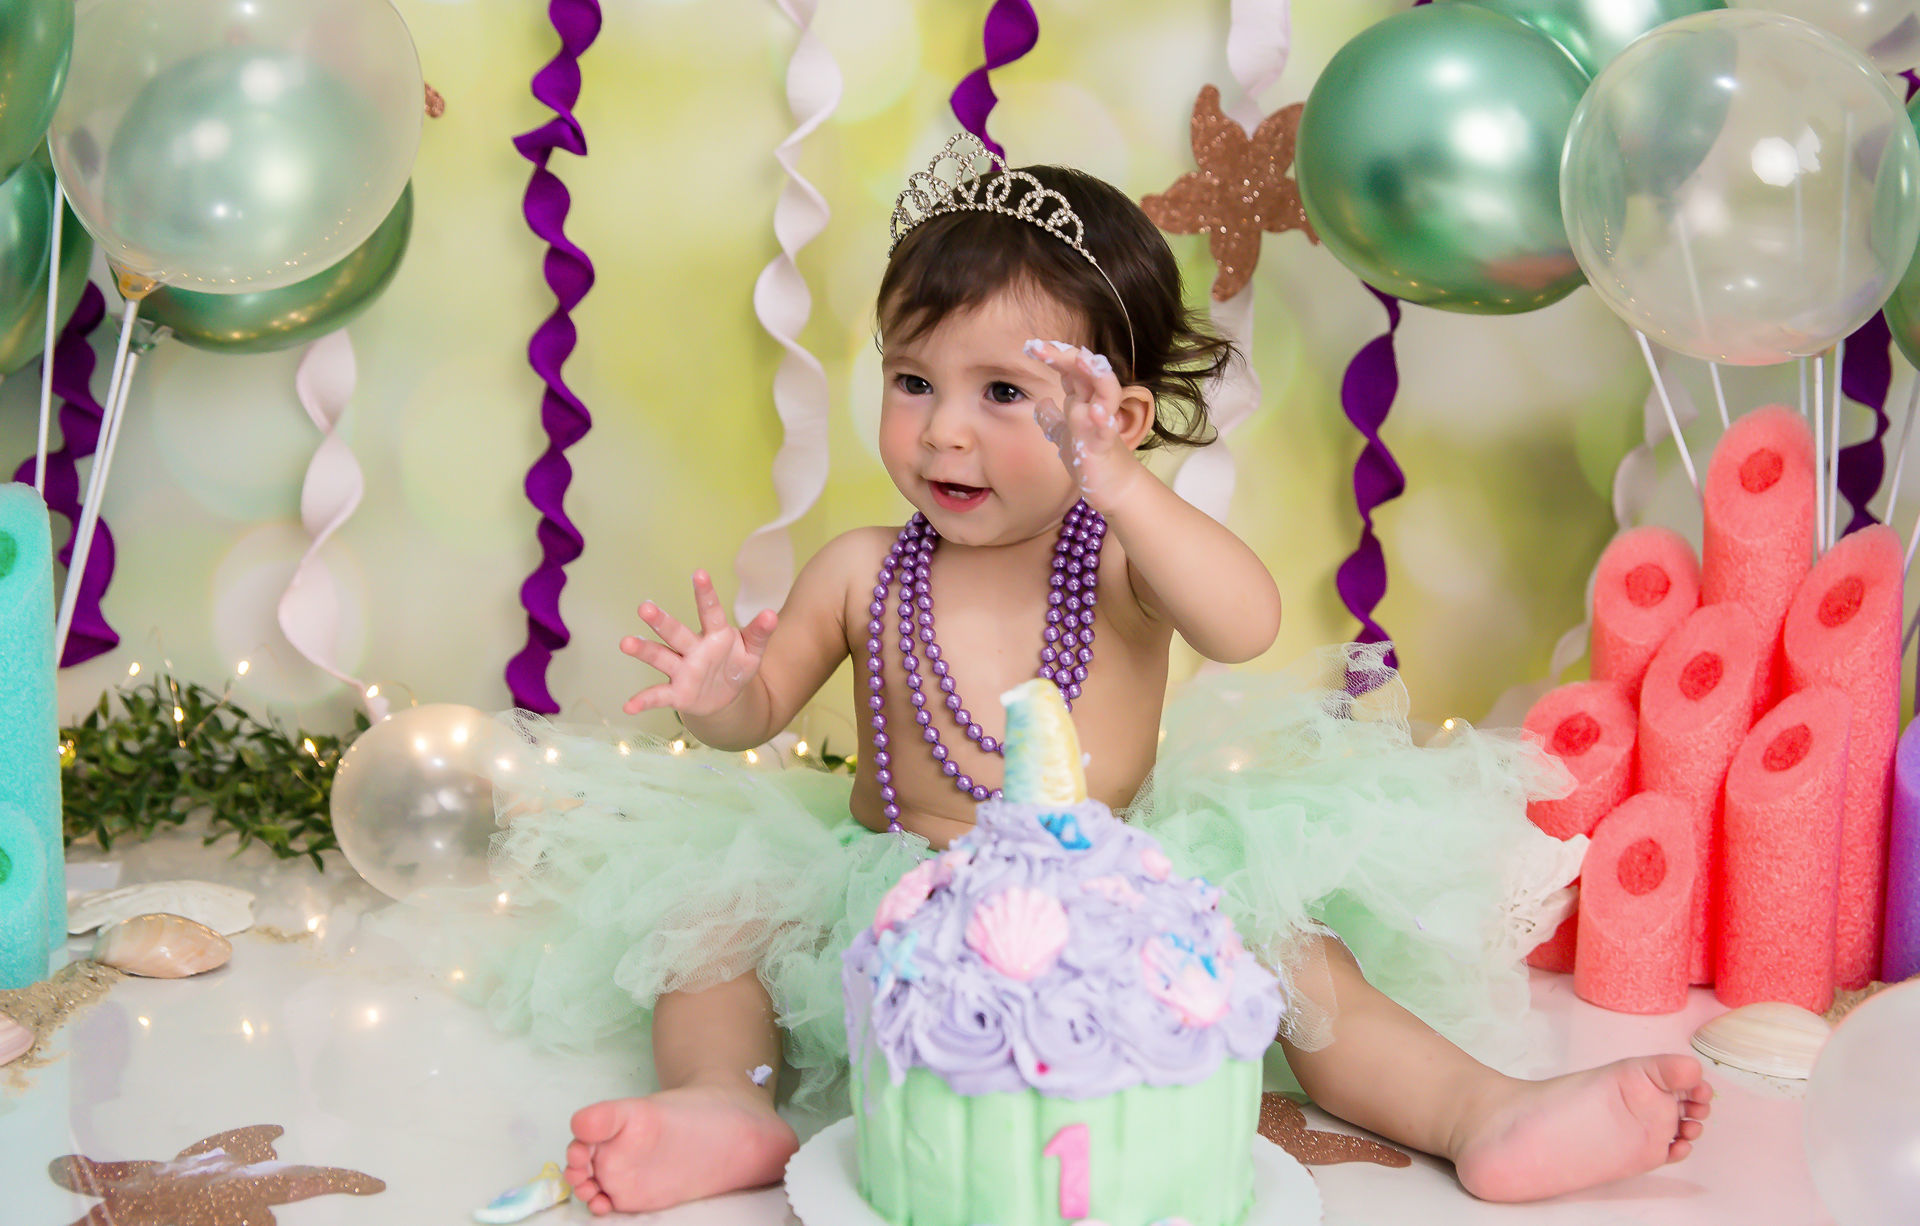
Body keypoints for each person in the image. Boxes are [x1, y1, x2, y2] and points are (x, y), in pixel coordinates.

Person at [473, 136, 1709, 1216]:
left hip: (1122, 887)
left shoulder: (1119, 557)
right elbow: (759, 716)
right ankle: (719, 1104)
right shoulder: (859, 566)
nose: (944, 430)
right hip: (892, 885)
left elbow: (1248, 622)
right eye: (914, 381)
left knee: (1304, 965)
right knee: (713, 930)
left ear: (1111, 416)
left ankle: (1478, 1110)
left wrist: (1123, 489)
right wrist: (717, 693)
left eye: (1005, 394)